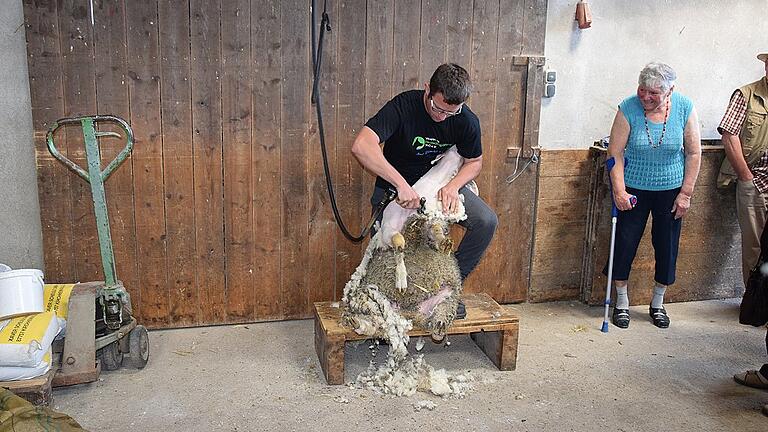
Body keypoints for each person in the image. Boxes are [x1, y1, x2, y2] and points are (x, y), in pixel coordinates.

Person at [351, 63, 498, 317]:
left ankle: (444, 291)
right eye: (437, 108)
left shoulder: (465, 119)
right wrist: (400, 185)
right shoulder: (403, 107)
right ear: (428, 89)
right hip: (397, 190)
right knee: (390, 246)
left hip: (440, 186)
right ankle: (390, 303)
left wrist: (453, 186)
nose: (442, 117)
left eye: (450, 113)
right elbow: (362, 146)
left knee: (486, 221)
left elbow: (474, 162)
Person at [604, 62, 701, 329]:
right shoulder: (628, 108)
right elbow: (615, 153)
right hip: (633, 188)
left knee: (666, 246)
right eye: (642, 90)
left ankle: (658, 302)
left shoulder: (684, 107)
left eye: (653, 94)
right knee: (625, 243)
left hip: (670, 190)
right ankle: (621, 302)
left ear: (670, 91)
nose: (646, 97)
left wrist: (686, 194)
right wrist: (620, 191)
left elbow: (694, 152)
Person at [720, 51, 768, 417]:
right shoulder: (747, 94)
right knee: (757, 257)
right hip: (757, 184)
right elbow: (730, 134)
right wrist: (746, 178)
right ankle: (759, 311)